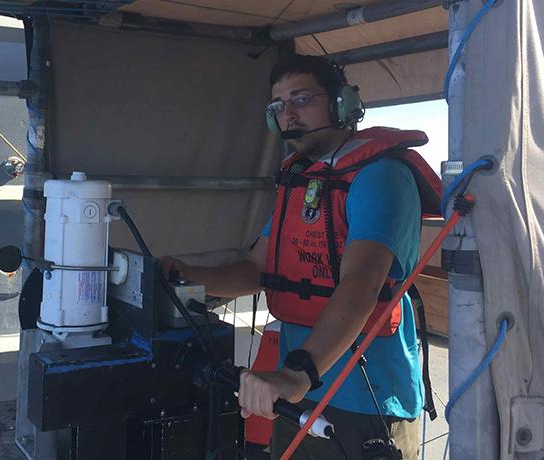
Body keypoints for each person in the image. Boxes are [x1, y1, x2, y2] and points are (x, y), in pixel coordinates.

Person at [162, 53, 440, 459]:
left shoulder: (382, 176)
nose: (287, 114)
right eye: (278, 106)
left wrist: (298, 374)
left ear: (343, 103)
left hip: (366, 403)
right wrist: (185, 275)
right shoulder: (301, 180)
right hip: (298, 391)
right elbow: (259, 269)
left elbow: (361, 283)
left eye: (301, 99)